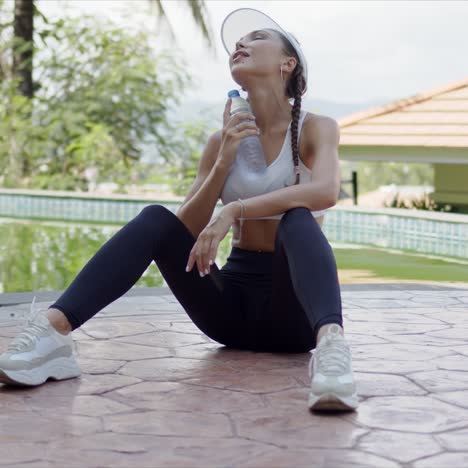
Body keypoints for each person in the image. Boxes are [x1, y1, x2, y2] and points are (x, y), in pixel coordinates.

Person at [0, 7, 358, 412]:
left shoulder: (316, 128)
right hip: (229, 316)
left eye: (256, 39)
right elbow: (179, 231)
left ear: (286, 63)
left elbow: (326, 192)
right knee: (155, 217)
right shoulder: (220, 142)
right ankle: (52, 334)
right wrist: (224, 160)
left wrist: (234, 210)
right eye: (238, 42)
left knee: (297, 217)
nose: (240, 44)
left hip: (294, 315)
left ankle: (332, 352)